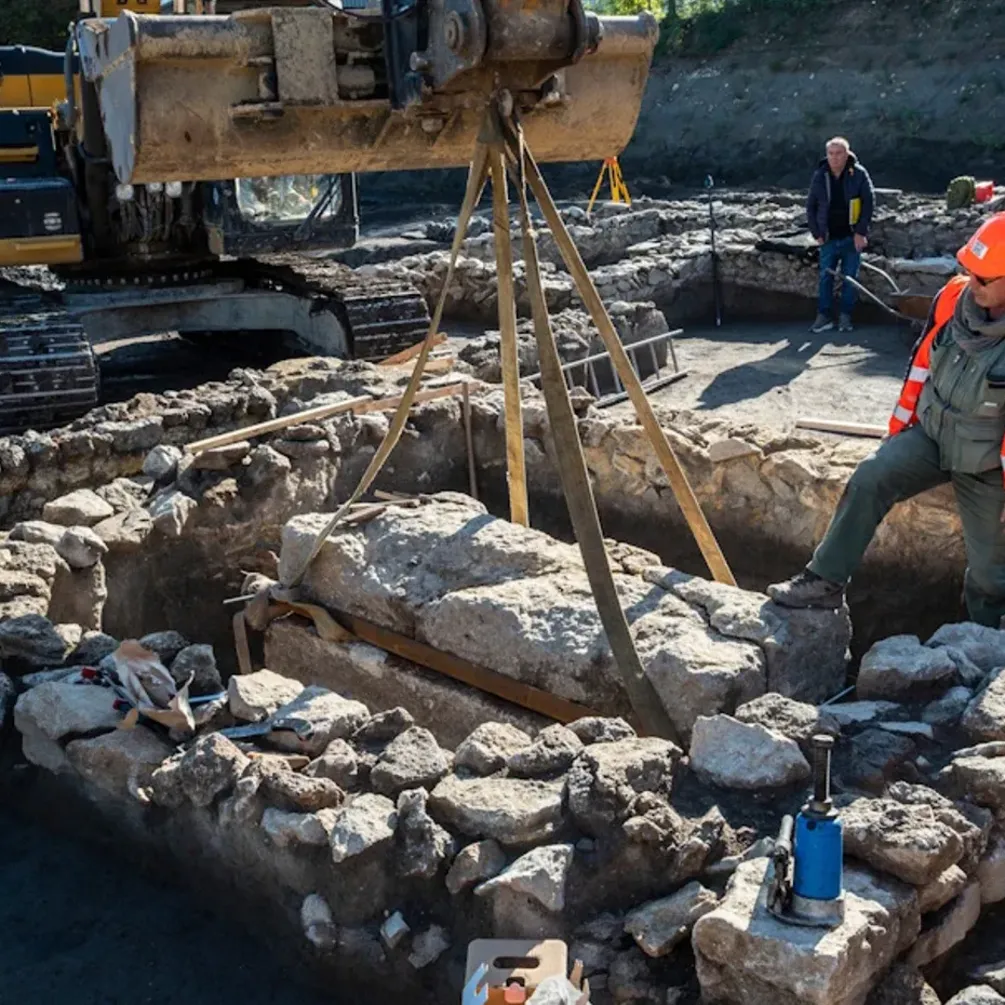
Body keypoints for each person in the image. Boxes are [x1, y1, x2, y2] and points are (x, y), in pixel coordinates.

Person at [768, 213, 1005, 628]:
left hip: (985, 463)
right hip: (931, 436)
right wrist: (897, 436)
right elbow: (920, 367)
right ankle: (824, 581)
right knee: (870, 477)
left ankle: (981, 644)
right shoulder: (952, 299)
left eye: (984, 279)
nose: (972, 284)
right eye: (970, 272)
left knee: (989, 573)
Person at [806, 137, 875, 334]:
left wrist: (861, 232)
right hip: (828, 237)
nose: (835, 158)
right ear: (826, 155)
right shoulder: (820, 175)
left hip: (851, 237)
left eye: (839, 153)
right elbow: (810, 206)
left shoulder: (859, 174)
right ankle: (824, 316)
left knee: (850, 278)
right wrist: (816, 233)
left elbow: (869, 203)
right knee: (825, 278)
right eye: (831, 154)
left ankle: (845, 316)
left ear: (847, 154)